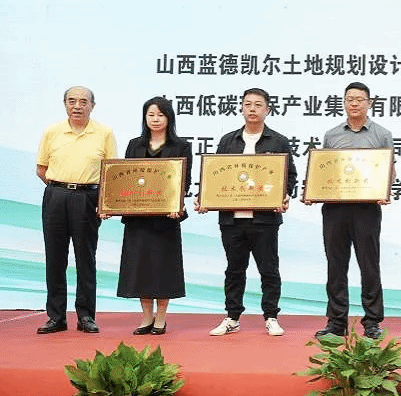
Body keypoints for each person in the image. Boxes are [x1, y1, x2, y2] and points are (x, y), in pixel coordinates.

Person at [202, 88, 298, 337]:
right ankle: (232, 317)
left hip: (265, 219)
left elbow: (290, 175)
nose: (252, 109)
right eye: (247, 104)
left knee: (269, 269)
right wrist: (206, 198)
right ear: (242, 108)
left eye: (258, 104)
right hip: (231, 219)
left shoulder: (278, 141)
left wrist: (284, 195)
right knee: (234, 270)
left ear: (267, 109)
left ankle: (271, 316)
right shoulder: (228, 141)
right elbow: (215, 175)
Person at [307, 81, 393, 340]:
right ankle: (336, 322)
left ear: (369, 103)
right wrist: (313, 191)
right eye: (349, 99)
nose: (354, 103)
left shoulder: (382, 135)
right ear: (344, 103)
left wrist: (385, 190)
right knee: (335, 266)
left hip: (366, 209)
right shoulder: (332, 135)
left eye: (359, 99)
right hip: (335, 209)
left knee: (369, 266)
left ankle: (372, 322)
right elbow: (324, 170)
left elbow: (389, 169)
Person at [35, 86, 117, 334]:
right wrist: (61, 189)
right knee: (55, 258)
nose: (77, 106)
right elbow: (41, 169)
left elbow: (111, 172)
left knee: (85, 258)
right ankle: (56, 316)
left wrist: (99, 200)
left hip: (87, 198)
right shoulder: (52, 131)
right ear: (65, 104)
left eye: (83, 101)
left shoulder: (104, 133)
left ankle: (85, 316)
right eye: (72, 101)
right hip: (56, 196)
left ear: (92, 105)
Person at [116, 97, 192, 335]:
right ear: (145, 118)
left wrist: (176, 203)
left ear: (169, 118)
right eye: (151, 115)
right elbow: (126, 177)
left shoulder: (181, 146)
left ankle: (161, 317)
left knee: (163, 268)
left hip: (166, 219)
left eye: (160, 115)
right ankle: (146, 317)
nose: (155, 119)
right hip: (138, 219)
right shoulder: (134, 145)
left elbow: (185, 181)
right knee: (141, 268)